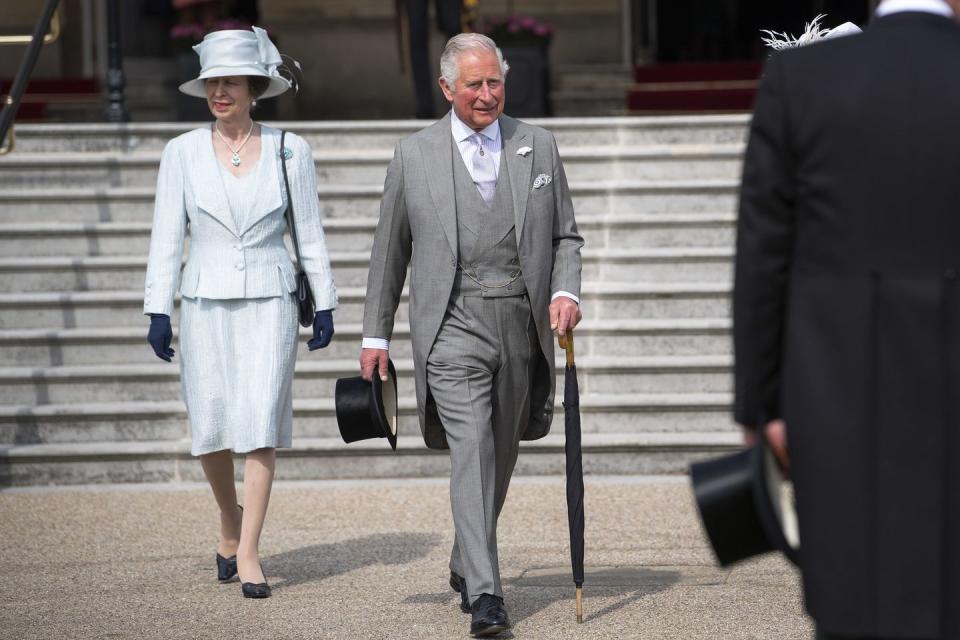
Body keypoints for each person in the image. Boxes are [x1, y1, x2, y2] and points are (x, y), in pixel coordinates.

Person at [734, 0, 960, 637]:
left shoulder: (801, 78)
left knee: (855, 605)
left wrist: (759, 407)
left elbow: (762, 255)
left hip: (837, 392)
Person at [360, 33, 583, 638]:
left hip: (519, 322)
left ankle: (465, 560)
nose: (487, 95)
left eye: (495, 83)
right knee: (474, 451)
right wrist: (374, 336)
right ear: (446, 88)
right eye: (474, 85)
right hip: (450, 329)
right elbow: (389, 254)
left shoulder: (537, 145)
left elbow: (566, 236)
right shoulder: (413, 155)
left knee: (501, 454)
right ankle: (487, 595)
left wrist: (566, 292)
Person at [143, 26, 336, 599]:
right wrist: (158, 308)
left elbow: (310, 233)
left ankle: (248, 550)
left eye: (230, 82)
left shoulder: (289, 148)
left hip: (271, 299)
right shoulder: (179, 152)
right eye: (211, 82)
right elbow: (163, 238)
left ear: (255, 86)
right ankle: (229, 519)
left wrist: (324, 300)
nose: (219, 92)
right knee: (210, 426)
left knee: (260, 424)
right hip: (202, 299)